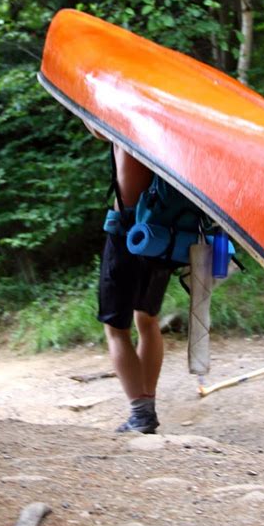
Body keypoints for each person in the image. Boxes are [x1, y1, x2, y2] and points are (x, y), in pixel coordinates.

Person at [96, 140, 172, 434]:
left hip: (128, 228)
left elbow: (95, 125)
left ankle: (141, 415)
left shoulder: (126, 116)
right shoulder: (169, 126)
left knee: (116, 328)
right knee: (147, 319)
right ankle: (146, 408)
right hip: (163, 231)